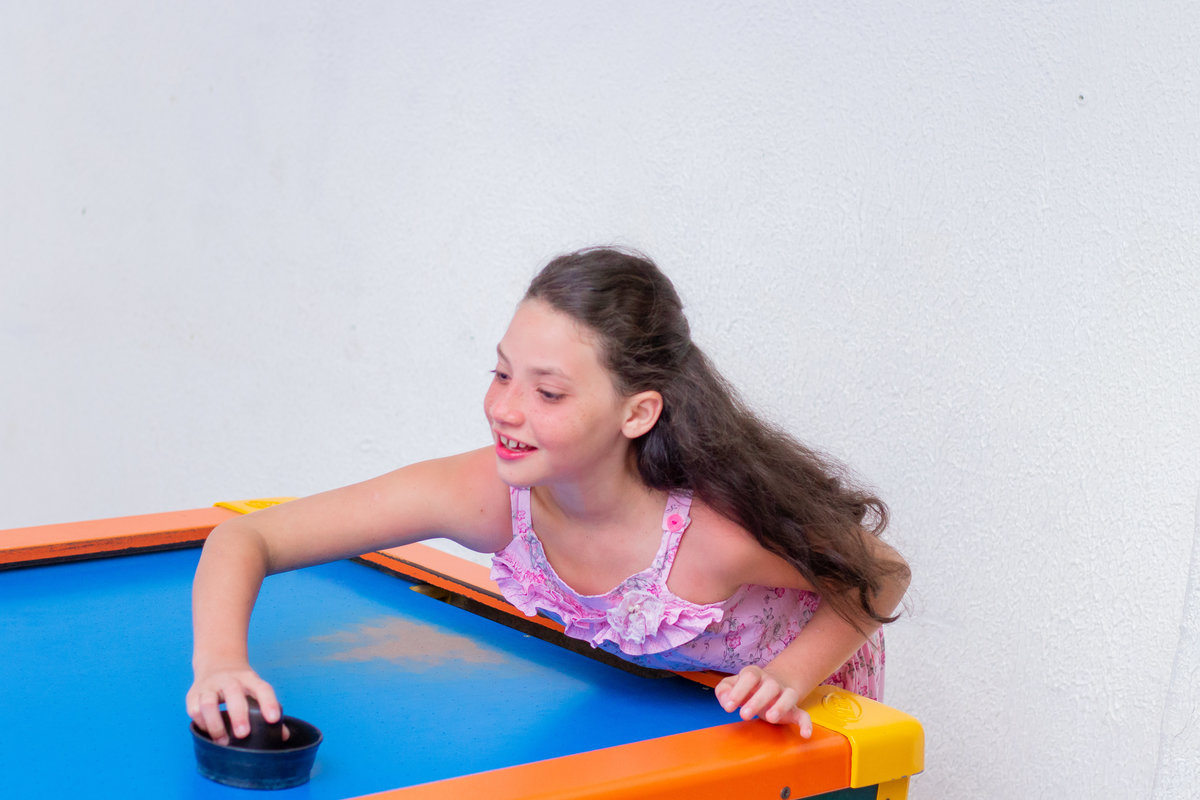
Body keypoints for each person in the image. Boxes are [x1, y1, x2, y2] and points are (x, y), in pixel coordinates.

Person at [187, 246, 910, 745]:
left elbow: (881, 574)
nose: (506, 409)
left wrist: (788, 675)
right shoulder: (487, 495)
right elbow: (247, 537)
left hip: (801, 705)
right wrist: (220, 663)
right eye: (502, 374)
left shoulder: (717, 535)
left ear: (638, 413)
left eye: (549, 392)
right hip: (659, 699)